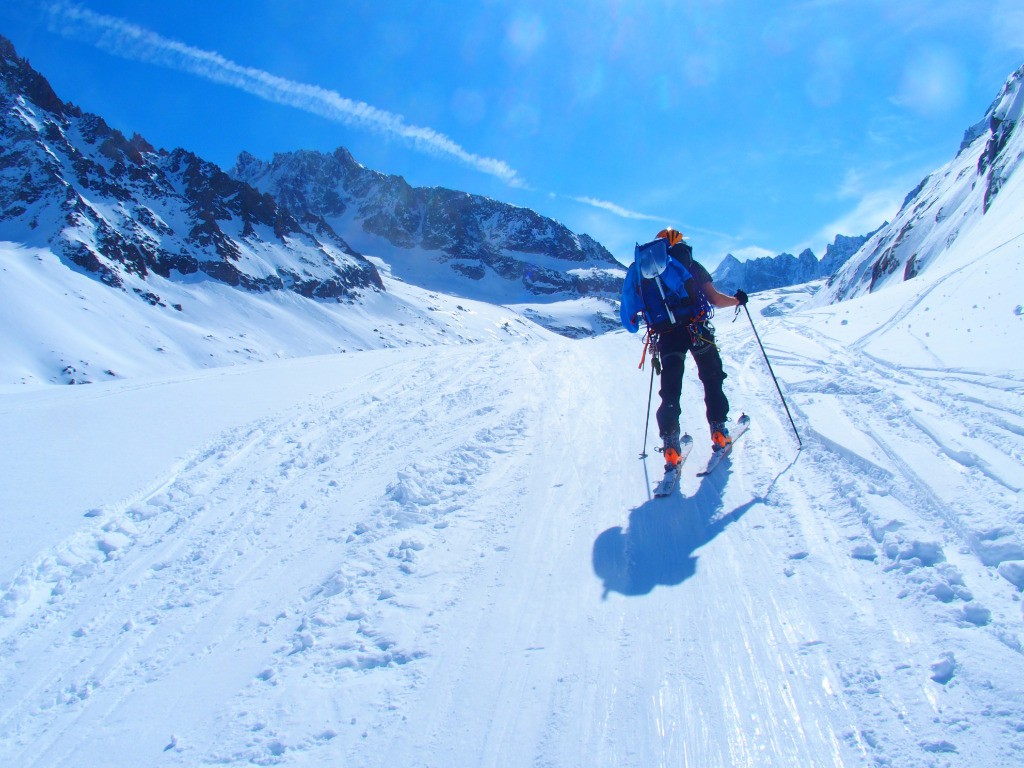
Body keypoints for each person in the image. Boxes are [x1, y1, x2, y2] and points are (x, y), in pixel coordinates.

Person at [620, 227, 749, 469]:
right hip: (697, 330)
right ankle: (719, 432)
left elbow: (629, 307)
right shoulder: (690, 264)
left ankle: (670, 447)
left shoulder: (640, 271)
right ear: (679, 242)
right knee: (712, 378)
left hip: (667, 336)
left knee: (670, 392)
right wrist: (738, 300)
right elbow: (715, 299)